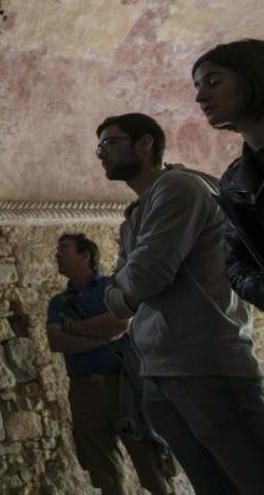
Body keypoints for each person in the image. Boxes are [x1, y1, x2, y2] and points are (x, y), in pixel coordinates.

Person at [96, 112, 264, 494]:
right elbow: (118, 303)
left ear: (146, 143)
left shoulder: (179, 189)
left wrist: (126, 283)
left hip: (205, 365)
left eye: (110, 142)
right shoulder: (136, 216)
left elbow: (144, 278)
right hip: (161, 368)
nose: (101, 153)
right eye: (99, 146)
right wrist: (127, 286)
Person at [46, 233, 174, 495]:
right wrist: (102, 337)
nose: (57, 254)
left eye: (64, 248)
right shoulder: (58, 303)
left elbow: (120, 323)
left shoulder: (111, 288)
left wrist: (74, 327)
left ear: (85, 255)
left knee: (148, 460)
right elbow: (57, 342)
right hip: (85, 391)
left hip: (124, 385)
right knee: (104, 471)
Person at [192, 39, 264, 310]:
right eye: (198, 87)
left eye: (213, 82)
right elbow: (236, 264)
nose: (200, 97)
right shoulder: (234, 181)